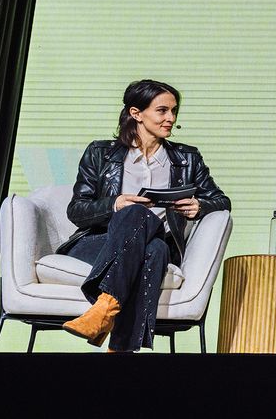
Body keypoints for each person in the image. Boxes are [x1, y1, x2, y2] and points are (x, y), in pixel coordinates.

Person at [59, 79, 230, 351]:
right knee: (140, 220)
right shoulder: (100, 153)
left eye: (174, 111)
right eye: (162, 110)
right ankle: (119, 344)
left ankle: (104, 310)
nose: (171, 118)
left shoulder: (187, 158)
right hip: (99, 242)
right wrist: (115, 204)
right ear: (136, 113)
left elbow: (221, 200)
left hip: (158, 242)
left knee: (156, 247)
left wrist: (199, 206)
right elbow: (77, 210)